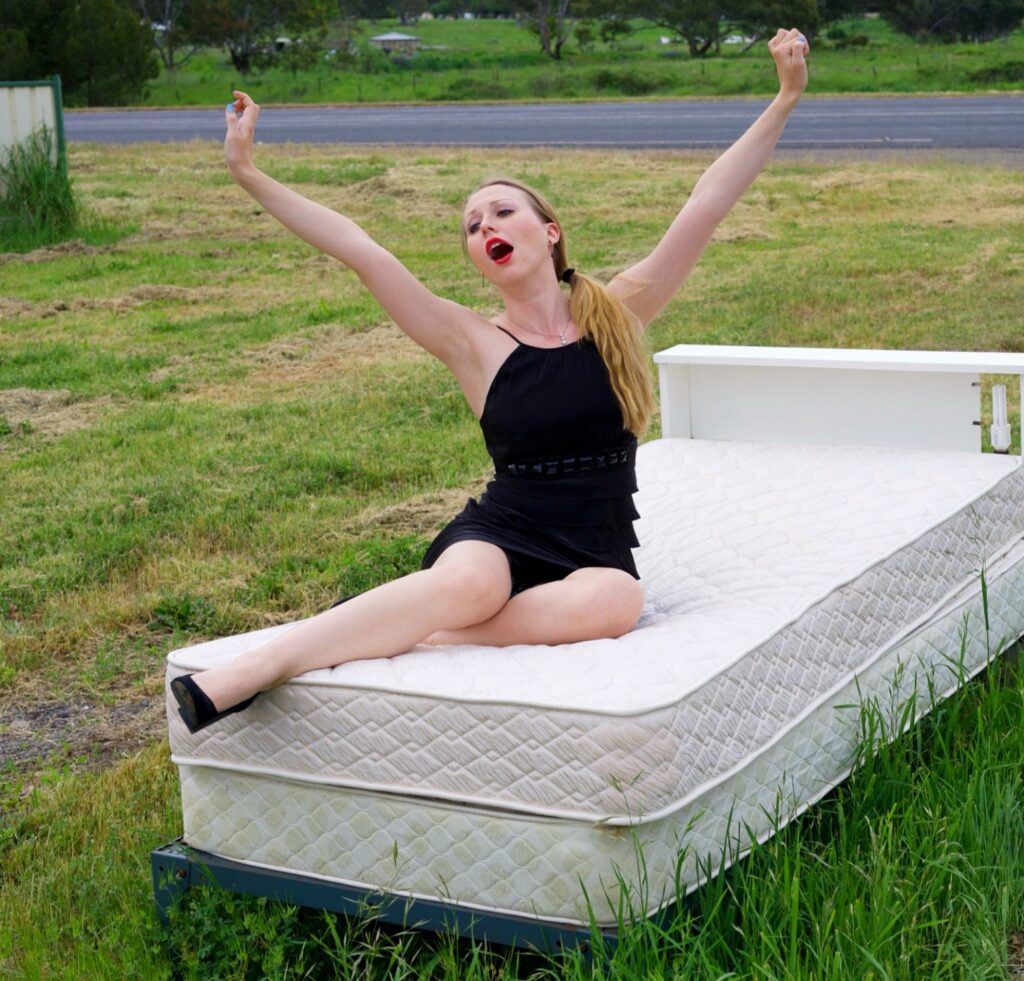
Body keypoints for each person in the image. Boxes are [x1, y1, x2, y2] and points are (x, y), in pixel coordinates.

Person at [171, 28, 810, 733]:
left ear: (550, 231)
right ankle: (254, 669)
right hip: (500, 534)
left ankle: (428, 633)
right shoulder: (471, 341)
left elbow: (706, 203)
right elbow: (360, 249)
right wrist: (248, 172)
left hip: (592, 546)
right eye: (472, 227)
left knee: (617, 601)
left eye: (503, 212)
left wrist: (784, 98)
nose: (485, 227)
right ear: (478, 257)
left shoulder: (617, 311)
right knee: (472, 582)